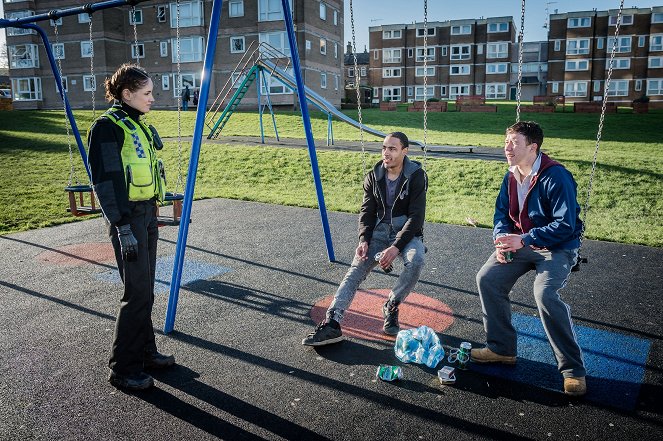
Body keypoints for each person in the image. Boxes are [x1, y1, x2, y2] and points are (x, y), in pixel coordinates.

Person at [472, 121, 586, 397]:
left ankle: (572, 370)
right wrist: (501, 241)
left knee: (545, 294)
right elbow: (501, 214)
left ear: (532, 147)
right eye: (506, 142)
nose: (507, 148)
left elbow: (566, 225)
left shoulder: (555, 176)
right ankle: (501, 349)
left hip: (556, 247)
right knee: (487, 279)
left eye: (514, 143)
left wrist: (523, 239)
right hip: (522, 241)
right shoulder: (510, 176)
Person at [88, 63, 175, 391]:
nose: (153, 98)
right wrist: (122, 226)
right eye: (147, 93)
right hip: (128, 220)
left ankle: (144, 352)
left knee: (146, 290)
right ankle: (122, 368)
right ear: (127, 94)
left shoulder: (136, 124)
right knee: (136, 293)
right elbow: (106, 180)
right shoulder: (107, 127)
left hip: (147, 215)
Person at [302, 132, 427, 346]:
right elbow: (367, 211)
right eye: (384, 148)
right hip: (378, 231)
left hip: (405, 231)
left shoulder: (416, 175)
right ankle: (332, 322)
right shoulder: (373, 175)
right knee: (355, 271)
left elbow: (417, 217)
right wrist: (363, 239)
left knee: (416, 261)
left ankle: (392, 305)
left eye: (392, 149)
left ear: (405, 151)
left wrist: (396, 247)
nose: (386, 153)